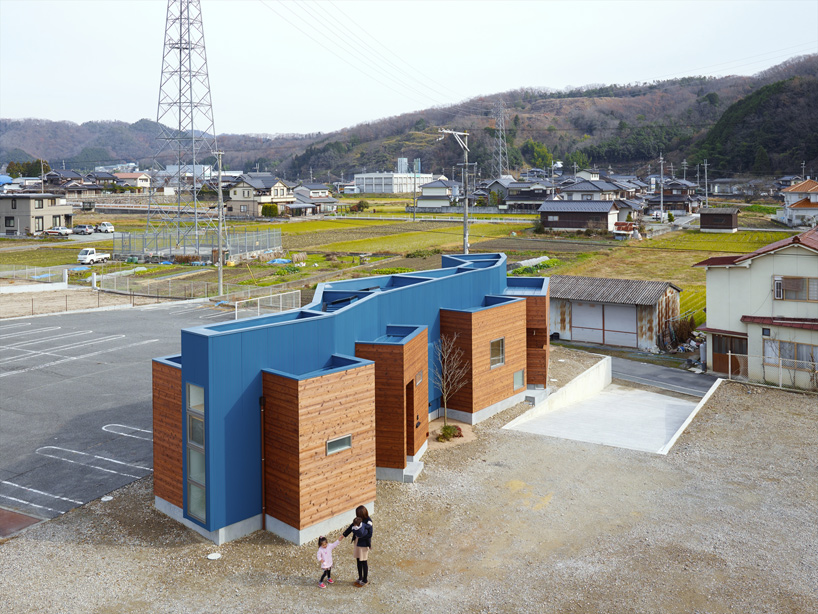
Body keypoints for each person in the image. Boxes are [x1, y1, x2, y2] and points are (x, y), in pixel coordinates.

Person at [342, 505, 373, 586]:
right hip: (357, 542)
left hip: (363, 544)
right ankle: (360, 578)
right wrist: (344, 535)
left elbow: (370, 534)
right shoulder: (358, 519)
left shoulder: (368, 521)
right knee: (358, 560)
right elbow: (351, 527)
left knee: (364, 561)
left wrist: (361, 536)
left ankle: (365, 580)